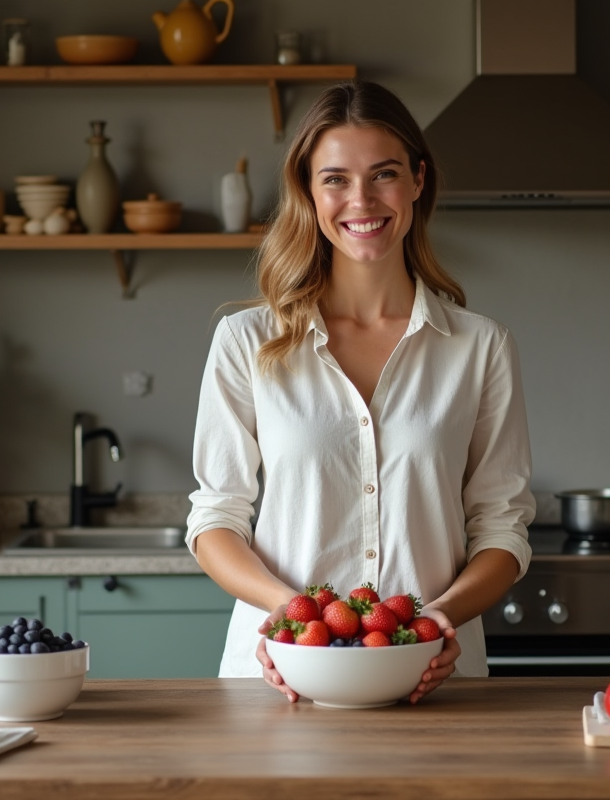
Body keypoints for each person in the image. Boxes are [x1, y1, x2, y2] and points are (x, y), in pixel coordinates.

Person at [186, 80, 534, 703]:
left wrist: (439, 618)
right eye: (335, 179)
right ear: (308, 191)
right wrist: (291, 613)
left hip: (434, 681)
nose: (361, 200)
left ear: (418, 180)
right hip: (279, 678)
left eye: (384, 174)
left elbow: (502, 527)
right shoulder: (246, 341)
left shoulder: (481, 347)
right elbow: (216, 518)